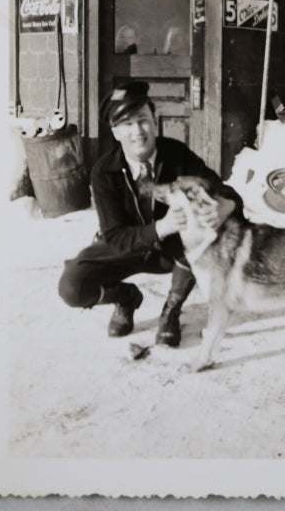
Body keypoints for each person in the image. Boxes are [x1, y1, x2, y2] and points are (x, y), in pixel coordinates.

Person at [58, 80, 242, 346]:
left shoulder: (176, 154)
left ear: (154, 121)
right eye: (127, 124)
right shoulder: (104, 171)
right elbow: (115, 237)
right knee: (71, 287)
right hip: (125, 249)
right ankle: (126, 298)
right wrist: (161, 227)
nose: (137, 131)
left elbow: (222, 189)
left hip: (172, 253)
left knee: (207, 232)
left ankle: (171, 311)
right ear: (115, 131)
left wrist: (227, 205)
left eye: (143, 120)